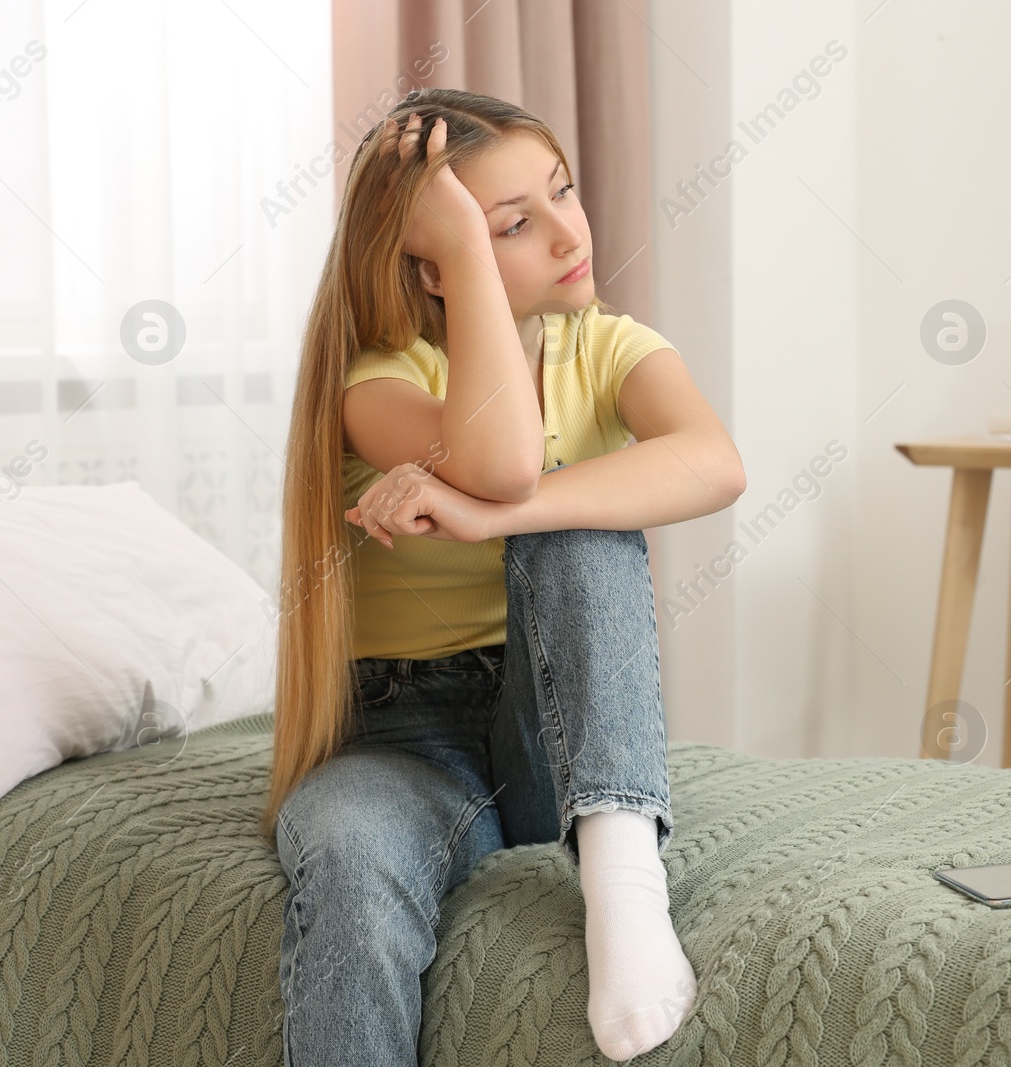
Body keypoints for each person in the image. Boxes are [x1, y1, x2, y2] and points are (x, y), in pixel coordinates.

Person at [258, 87, 745, 1065]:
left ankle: (622, 878)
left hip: (554, 739)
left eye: (562, 192)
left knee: (580, 522)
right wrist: (467, 252)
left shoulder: (608, 347)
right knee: (347, 858)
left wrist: (498, 518)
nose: (569, 231)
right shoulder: (380, 380)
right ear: (432, 266)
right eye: (512, 225)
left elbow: (713, 464)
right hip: (401, 737)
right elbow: (499, 458)